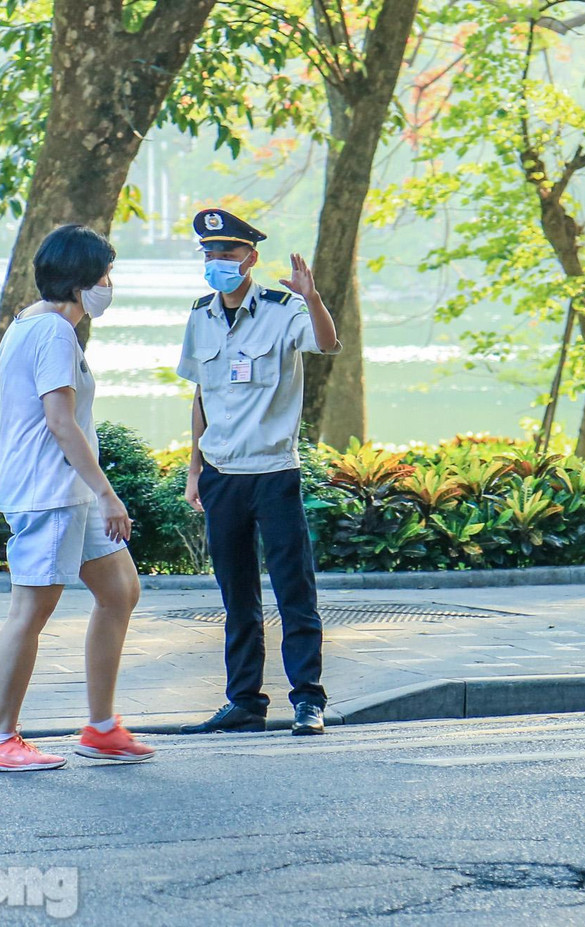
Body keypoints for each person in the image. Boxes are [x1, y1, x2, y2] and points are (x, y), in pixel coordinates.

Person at [0, 223, 155, 771]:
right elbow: (59, 421)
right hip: (50, 493)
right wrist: (109, 495)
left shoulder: (28, 324)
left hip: (68, 493)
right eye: (104, 274)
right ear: (82, 283)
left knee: (121, 591)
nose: (108, 283)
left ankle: (101, 728)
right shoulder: (52, 332)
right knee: (31, 609)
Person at [176, 208, 341, 736]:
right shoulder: (200, 316)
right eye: (210, 254)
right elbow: (201, 394)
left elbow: (327, 344)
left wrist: (312, 297)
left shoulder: (284, 308)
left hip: (273, 471)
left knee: (295, 590)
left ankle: (308, 700)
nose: (217, 262)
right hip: (222, 473)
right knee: (236, 595)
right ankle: (245, 700)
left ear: (250, 257)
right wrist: (194, 469)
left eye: (226, 253)